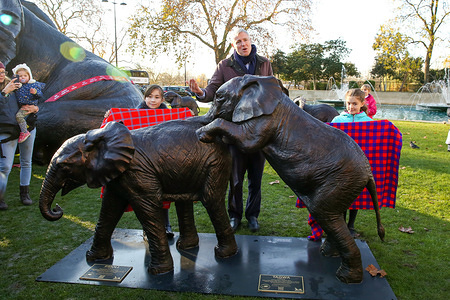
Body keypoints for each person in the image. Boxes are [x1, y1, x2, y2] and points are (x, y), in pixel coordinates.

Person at [189, 28, 273, 232]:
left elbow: (271, 88)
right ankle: (234, 215)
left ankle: (252, 215)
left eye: (245, 40)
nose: (243, 44)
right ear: (233, 45)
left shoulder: (264, 63)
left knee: (256, 179)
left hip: (258, 129)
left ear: (250, 41)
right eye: (238, 42)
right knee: (234, 179)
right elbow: (213, 89)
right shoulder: (224, 65)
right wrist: (201, 93)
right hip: (234, 129)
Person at [305, 89, 373, 240]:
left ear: (362, 104)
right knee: (341, 195)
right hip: (341, 165)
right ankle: (341, 224)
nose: (351, 107)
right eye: (348, 103)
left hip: (358, 166)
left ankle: (351, 225)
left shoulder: (369, 123)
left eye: (355, 104)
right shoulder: (338, 121)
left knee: (356, 195)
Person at [0, 61, 39, 210]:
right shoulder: (8, 87)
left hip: (27, 127)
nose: (1, 75)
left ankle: (25, 194)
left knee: (26, 162)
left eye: (2, 72)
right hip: (7, 130)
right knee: (4, 166)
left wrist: (35, 108)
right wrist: (5, 92)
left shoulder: (16, 83)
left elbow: (31, 99)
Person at [137, 84, 173, 238]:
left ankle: (166, 225)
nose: (152, 100)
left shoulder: (168, 114)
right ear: (145, 97)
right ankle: (148, 229)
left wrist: (189, 113)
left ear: (162, 99)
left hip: (161, 161)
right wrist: (110, 115)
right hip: (143, 163)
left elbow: (181, 124)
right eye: (149, 96)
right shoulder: (135, 113)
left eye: (157, 97)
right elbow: (120, 124)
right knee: (146, 197)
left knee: (163, 194)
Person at [11, 63, 45, 143]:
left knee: (19, 116)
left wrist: (35, 92)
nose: (23, 77)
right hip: (21, 106)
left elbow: (40, 95)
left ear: (29, 76)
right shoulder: (17, 86)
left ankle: (24, 132)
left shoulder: (33, 84)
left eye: (25, 76)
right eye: (20, 76)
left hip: (29, 106)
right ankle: (25, 128)